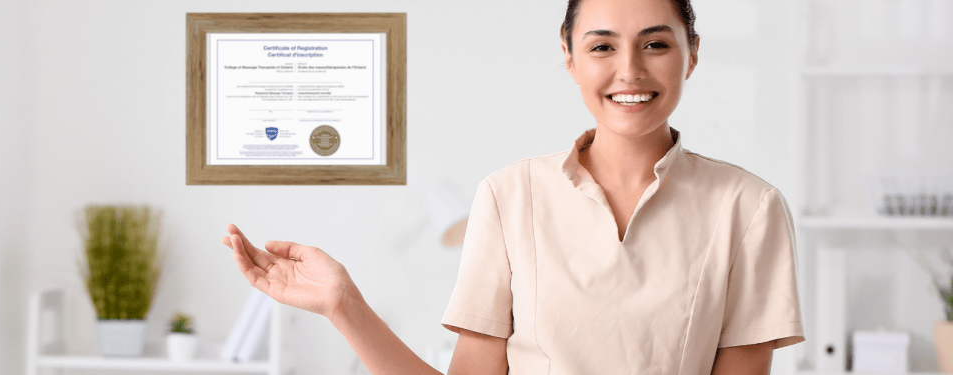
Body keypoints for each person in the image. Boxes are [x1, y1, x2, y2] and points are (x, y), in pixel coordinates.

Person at [222, 0, 805, 373]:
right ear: (569, 57)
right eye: (602, 45)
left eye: (656, 43)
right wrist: (342, 305)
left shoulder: (749, 208)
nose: (629, 70)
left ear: (692, 54)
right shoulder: (509, 196)